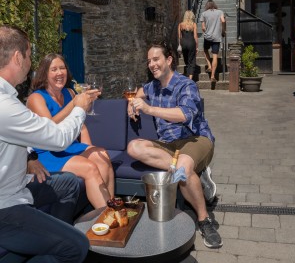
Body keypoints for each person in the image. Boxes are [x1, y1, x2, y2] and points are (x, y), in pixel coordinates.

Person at [0, 25, 100, 262]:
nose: (30, 62)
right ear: (17, 57)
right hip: (5, 205)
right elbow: (57, 139)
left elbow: (15, 140)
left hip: (18, 186)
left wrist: (29, 159)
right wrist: (79, 108)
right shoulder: (4, 105)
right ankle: (58, 243)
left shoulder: (9, 99)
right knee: (77, 246)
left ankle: (53, 232)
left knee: (69, 184)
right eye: (29, 55)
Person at [127, 43, 222, 249]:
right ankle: (198, 175)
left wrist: (150, 109)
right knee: (134, 147)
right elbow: (139, 92)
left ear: (169, 60)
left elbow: (183, 114)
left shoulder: (186, 85)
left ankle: (204, 220)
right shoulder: (153, 86)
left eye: (156, 59)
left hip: (195, 139)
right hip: (168, 145)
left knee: (183, 168)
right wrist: (132, 101)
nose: (152, 64)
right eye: (149, 61)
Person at [27, 53, 115, 209]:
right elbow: (50, 128)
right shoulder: (36, 98)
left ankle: (112, 205)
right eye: (53, 69)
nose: (60, 72)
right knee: (89, 167)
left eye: (62, 68)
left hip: (69, 145)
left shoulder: (70, 93)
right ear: (45, 74)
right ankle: (106, 216)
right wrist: (75, 104)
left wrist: (87, 148)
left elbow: (81, 125)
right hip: (47, 151)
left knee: (101, 155)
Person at [200, 0, 226, 82]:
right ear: (214, 5)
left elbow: (203, 28)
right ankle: (212, 76)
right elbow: (223, 21)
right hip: (216, 37)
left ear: (207, 6)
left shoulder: (204, 14)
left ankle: (209, 66)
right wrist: (223, 31)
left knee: (205, 50)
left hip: (207, 37)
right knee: (215, 56)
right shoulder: (220, 12)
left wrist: (207, 31)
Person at [178, 10, 198, 80]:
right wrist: (197, 47)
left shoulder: (181, 25)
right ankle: (190, 78)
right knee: (192, 60)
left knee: (186, 59)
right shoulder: (194, 25)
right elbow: (195, 36)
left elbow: (179, 37)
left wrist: (180, 45)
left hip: (184, 43)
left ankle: (187, 72)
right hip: (191, 43)